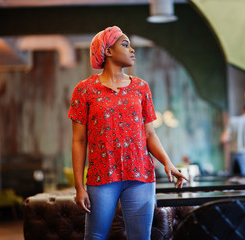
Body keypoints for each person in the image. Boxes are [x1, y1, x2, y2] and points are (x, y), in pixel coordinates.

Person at [68, 26, 187, 240]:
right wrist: (78, 186)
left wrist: (167, 163)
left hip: (141, 175)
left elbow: (150, 134)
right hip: (101, 177)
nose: (132, 50)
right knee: (95, 237)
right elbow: (79, 140)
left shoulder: (141, 88)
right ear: (108, 51)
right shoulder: (84, 90)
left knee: (141, 238)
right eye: (125, 44)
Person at [220, 101, 245, 179]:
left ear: (243, 110)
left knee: (233, 184)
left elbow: (223, 139)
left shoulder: (232, 121)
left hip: (233, 157)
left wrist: (233, 139)